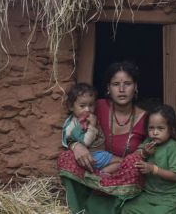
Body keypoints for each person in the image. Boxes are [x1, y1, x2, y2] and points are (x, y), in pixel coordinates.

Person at [58, 61, 148, 214]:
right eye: (115, 84)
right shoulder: (95, 106)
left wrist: (136, 156)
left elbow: (148, 148)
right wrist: (75, 145)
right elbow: (72, 127)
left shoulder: (146, 118)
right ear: (108, 88)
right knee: (66, 156)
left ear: (136, 87)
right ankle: (77, 209)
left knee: (134, 164)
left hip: (121, 176)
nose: (121, 89)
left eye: (127, 83)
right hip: (93, 168)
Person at [122, 105, 176, 214]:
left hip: (168, 198)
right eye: (151, 128)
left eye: (160, 128)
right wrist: (144, 153)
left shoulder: (173, 148)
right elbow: (136, 155)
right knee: (126, 209)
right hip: (147, 194)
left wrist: (153, 169)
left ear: (171, 129)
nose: (155, 132)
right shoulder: (148, 142)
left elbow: (174, 176)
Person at [62, 83, 121, 174]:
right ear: (71, 106)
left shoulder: (86, 119)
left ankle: (101, 174)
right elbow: (85, 142)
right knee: (122, 162)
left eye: (91, 105)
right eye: (82, 106)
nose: (87, 109)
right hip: (93, 155)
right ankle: (101, 174)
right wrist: (92, 127)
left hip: (99, 154)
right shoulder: (74, 125)